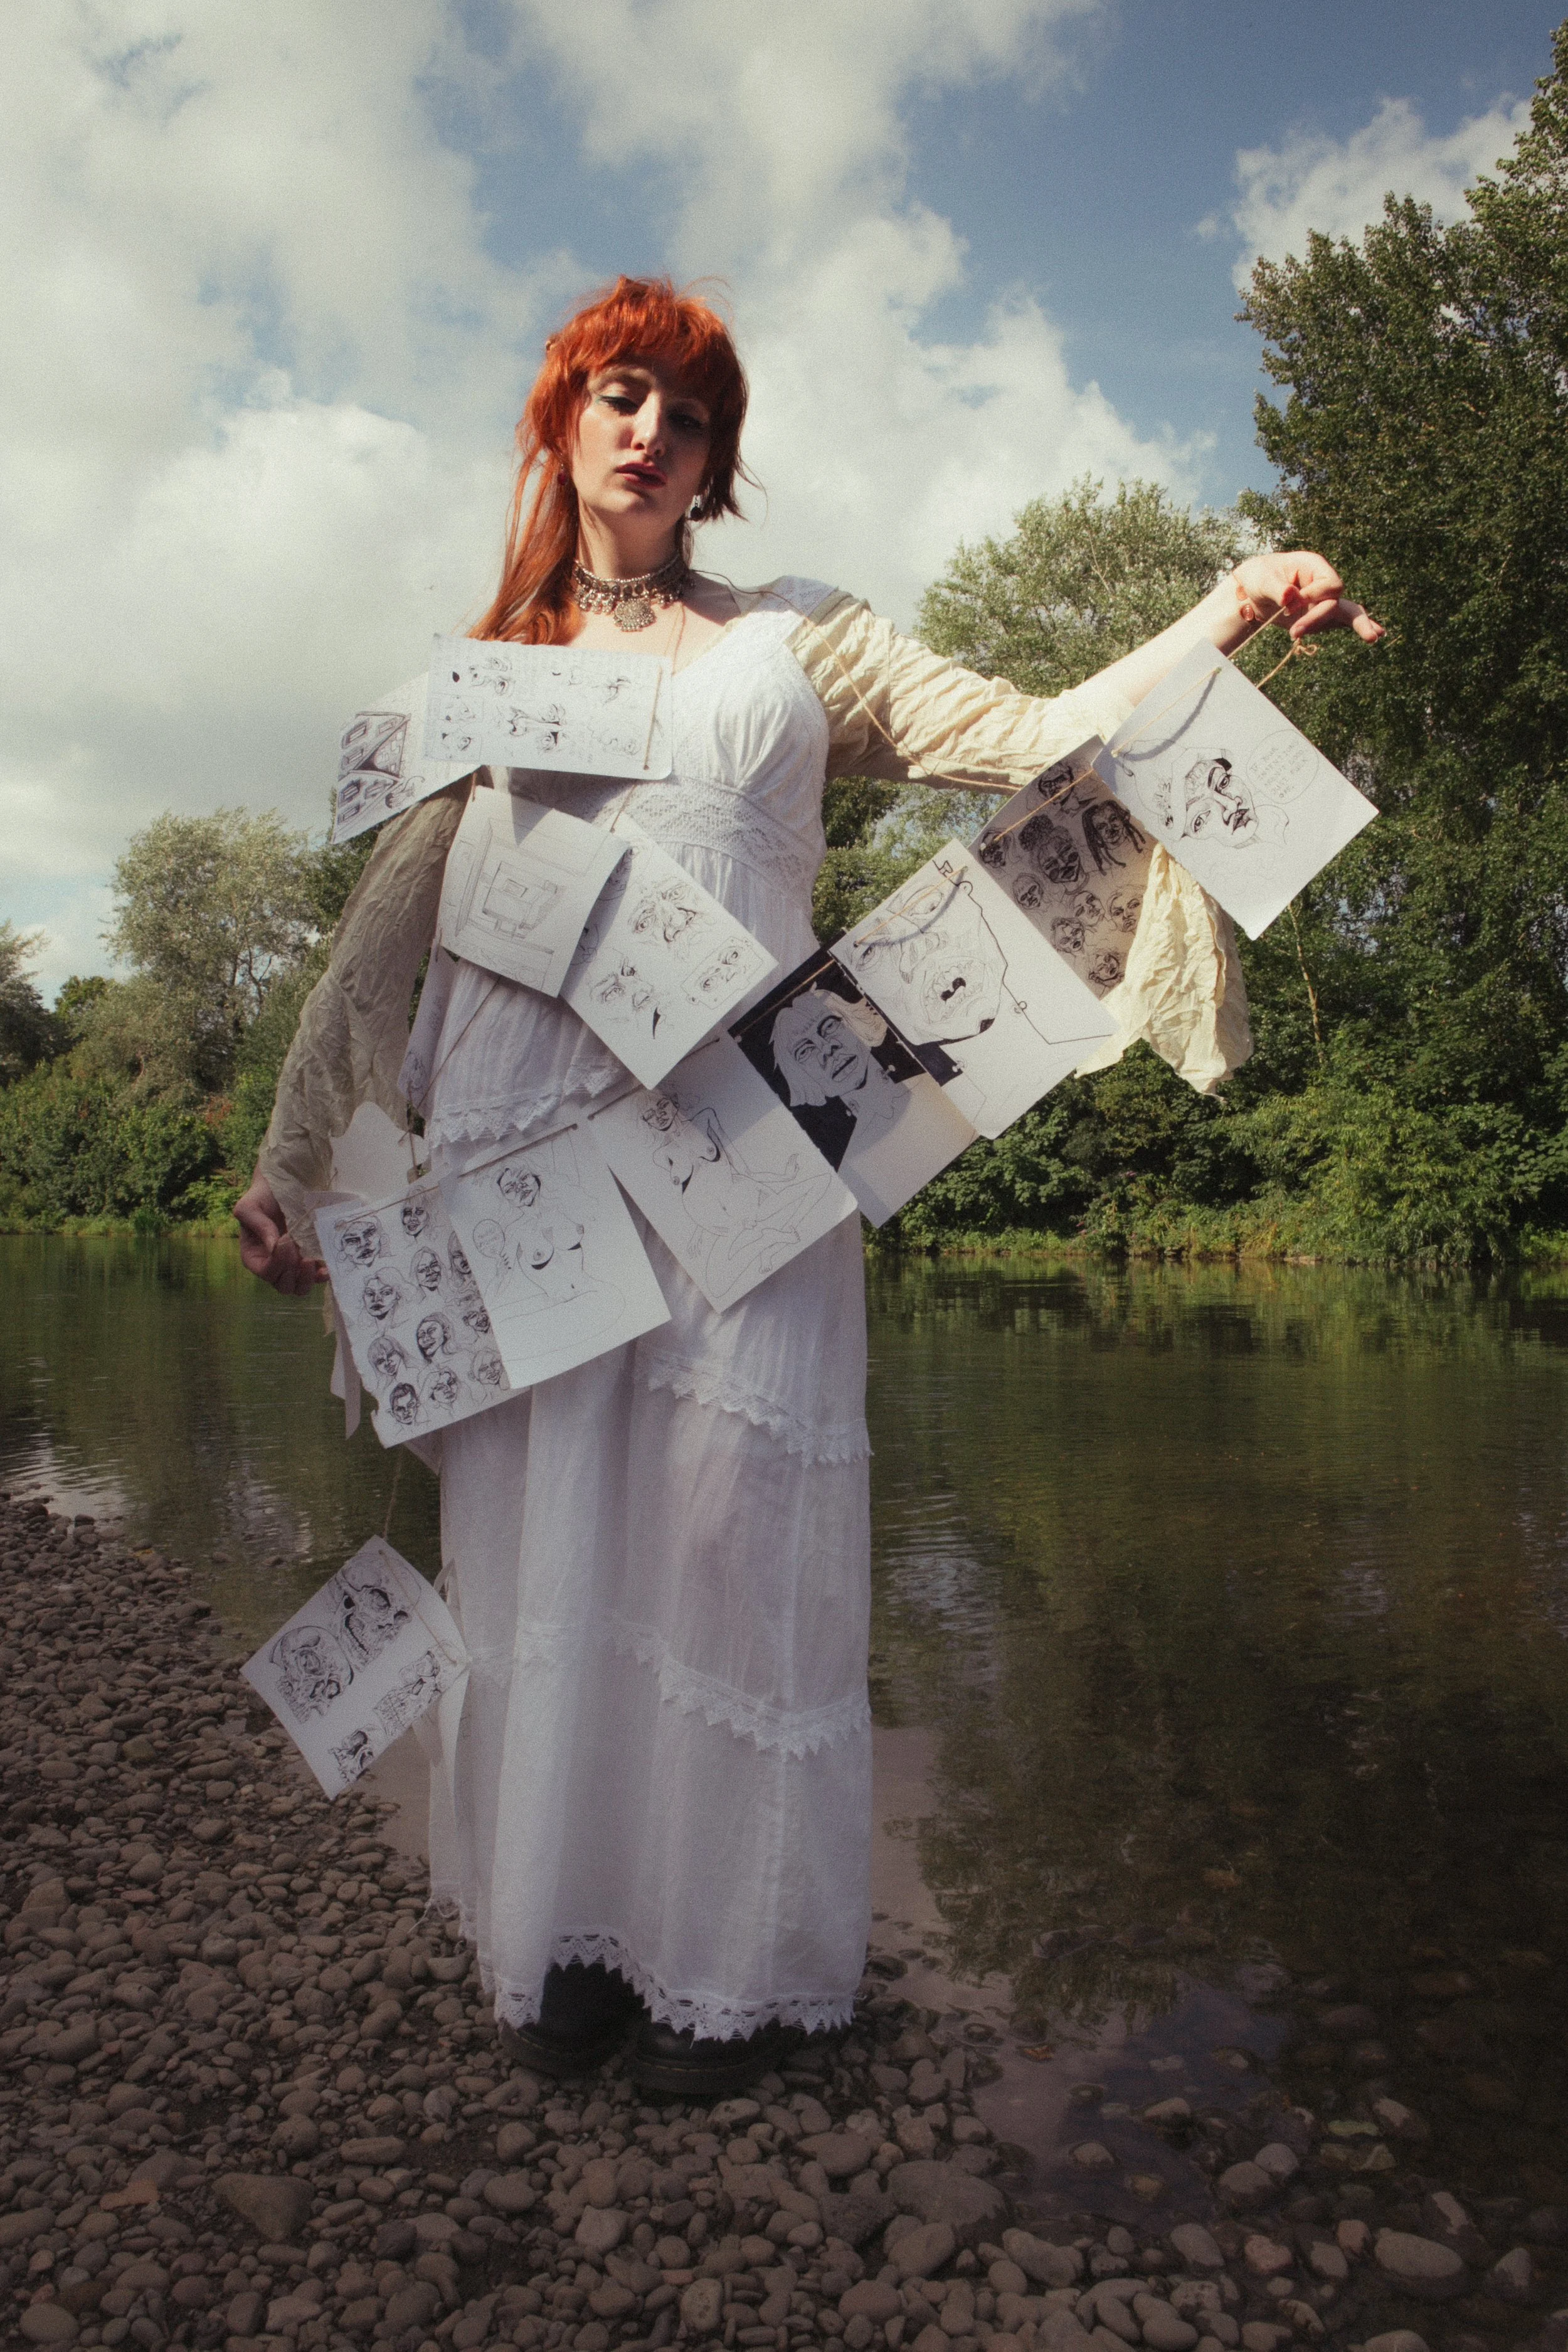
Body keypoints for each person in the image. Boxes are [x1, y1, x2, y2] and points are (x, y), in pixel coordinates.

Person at [234, 274, 1382, 2094]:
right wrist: (293, 1158)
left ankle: (727, 1972)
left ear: (713, 462)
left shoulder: (798, 639)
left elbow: (1033, 731)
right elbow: (384, 935)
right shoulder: (492, 671)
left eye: (684, 414)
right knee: (546, 1542)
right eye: (617, 395)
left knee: (720, 1537)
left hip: (756, 1145)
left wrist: (1228, 606)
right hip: (530, 1155)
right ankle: (567, 1948)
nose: (648, 431)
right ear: (560, 424)